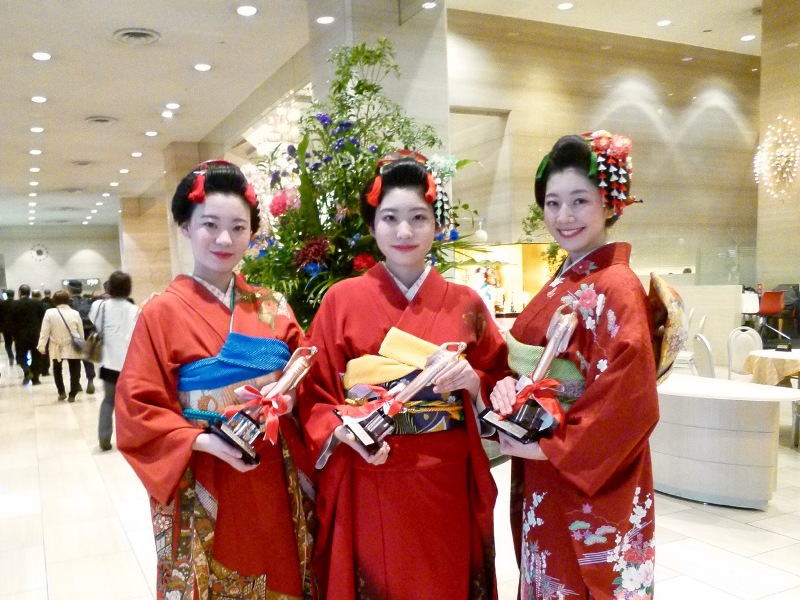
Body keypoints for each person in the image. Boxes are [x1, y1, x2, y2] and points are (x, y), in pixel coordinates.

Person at [300, 151, 508, 599]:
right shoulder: (341, 300)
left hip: (446, 474)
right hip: (373, 468)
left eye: (419, 217)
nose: (405, 232)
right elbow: (314, 395)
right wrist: (344, 428)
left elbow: (500, 379)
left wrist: (474, 384)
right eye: (390, 218)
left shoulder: (466, 303)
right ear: (372, 225)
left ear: (437, 224)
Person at [115, 160, 315, 599]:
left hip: (272, 466)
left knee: (281, 566)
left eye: (238, 228)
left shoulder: (273, 305)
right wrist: (202, 440)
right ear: (185, 226)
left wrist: (288, 397)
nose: (225, 239)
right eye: (210, 225)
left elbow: (305, 372)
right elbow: (137, 408)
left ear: (251, 233)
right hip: (203, 468)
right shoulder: (159, 313)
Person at [488, 131, 658, 598]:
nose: (564, 216)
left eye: (579, 201)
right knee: (547, 573)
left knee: (578, 580)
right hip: (547, 458)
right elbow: (522, 362)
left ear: (609, 202)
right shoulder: (566, 279)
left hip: (583, 466)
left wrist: (551, 448)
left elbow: (630, 398)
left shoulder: (616, 286)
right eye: (553, 203)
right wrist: (507, 389)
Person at [89, 271, 139, 451]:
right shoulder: (134, 310)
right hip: (130, 365)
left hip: (108, 362)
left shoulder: (99, 306)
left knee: (108, 400)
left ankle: (104, 438)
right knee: (129, 403)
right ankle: (130, 438)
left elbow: (93, 320)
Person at [37, 290, 84, 401]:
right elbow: (80, 331)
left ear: (54, 301)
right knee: (75, 369)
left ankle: (61, 392)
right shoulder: (75, 313)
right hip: (73, 343)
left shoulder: (49, 313)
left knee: (57, 369)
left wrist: (41, 346)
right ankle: (72, 394)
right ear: (68, 300)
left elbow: (44, 331)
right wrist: (82, 344)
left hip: (56, 345)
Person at [10, 284, 47, 385]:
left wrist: (13, 334)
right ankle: (35, 379)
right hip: (36, 334)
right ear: (29, 292)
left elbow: (11, 321)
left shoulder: (14, 304)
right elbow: (44, 318)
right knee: (36, 356)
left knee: (20, 356)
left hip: (20, 335)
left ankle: (27, 371)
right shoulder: (37, 303)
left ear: (19, 292)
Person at [67, 280, 97, 394]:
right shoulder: (88, 300)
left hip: (74, 332)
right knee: (87, 357)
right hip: (88, 331)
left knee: (74, 359)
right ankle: (90, 380)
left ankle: (77, 384)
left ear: (69, 290)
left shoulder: (68, 303)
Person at [0, 289, 15, 365]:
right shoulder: (16, 303)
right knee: (18, 342)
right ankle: (20, 358)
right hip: (16, 327)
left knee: (8, 343)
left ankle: (11, 356)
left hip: (6, 327)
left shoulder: (2, 304)